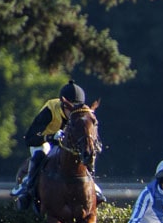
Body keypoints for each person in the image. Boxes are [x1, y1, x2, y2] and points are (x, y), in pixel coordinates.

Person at [10, 79, 107, 209]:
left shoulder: (81, 113)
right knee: (40, 155)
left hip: (67, 144)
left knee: (85, 155)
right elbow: (30, 138)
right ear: (64, 105)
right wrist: (50, 136)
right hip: (43, 142)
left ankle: (93, 187)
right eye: (70, 108)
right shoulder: (50, 109)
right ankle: (28, 190)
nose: (74, 112)